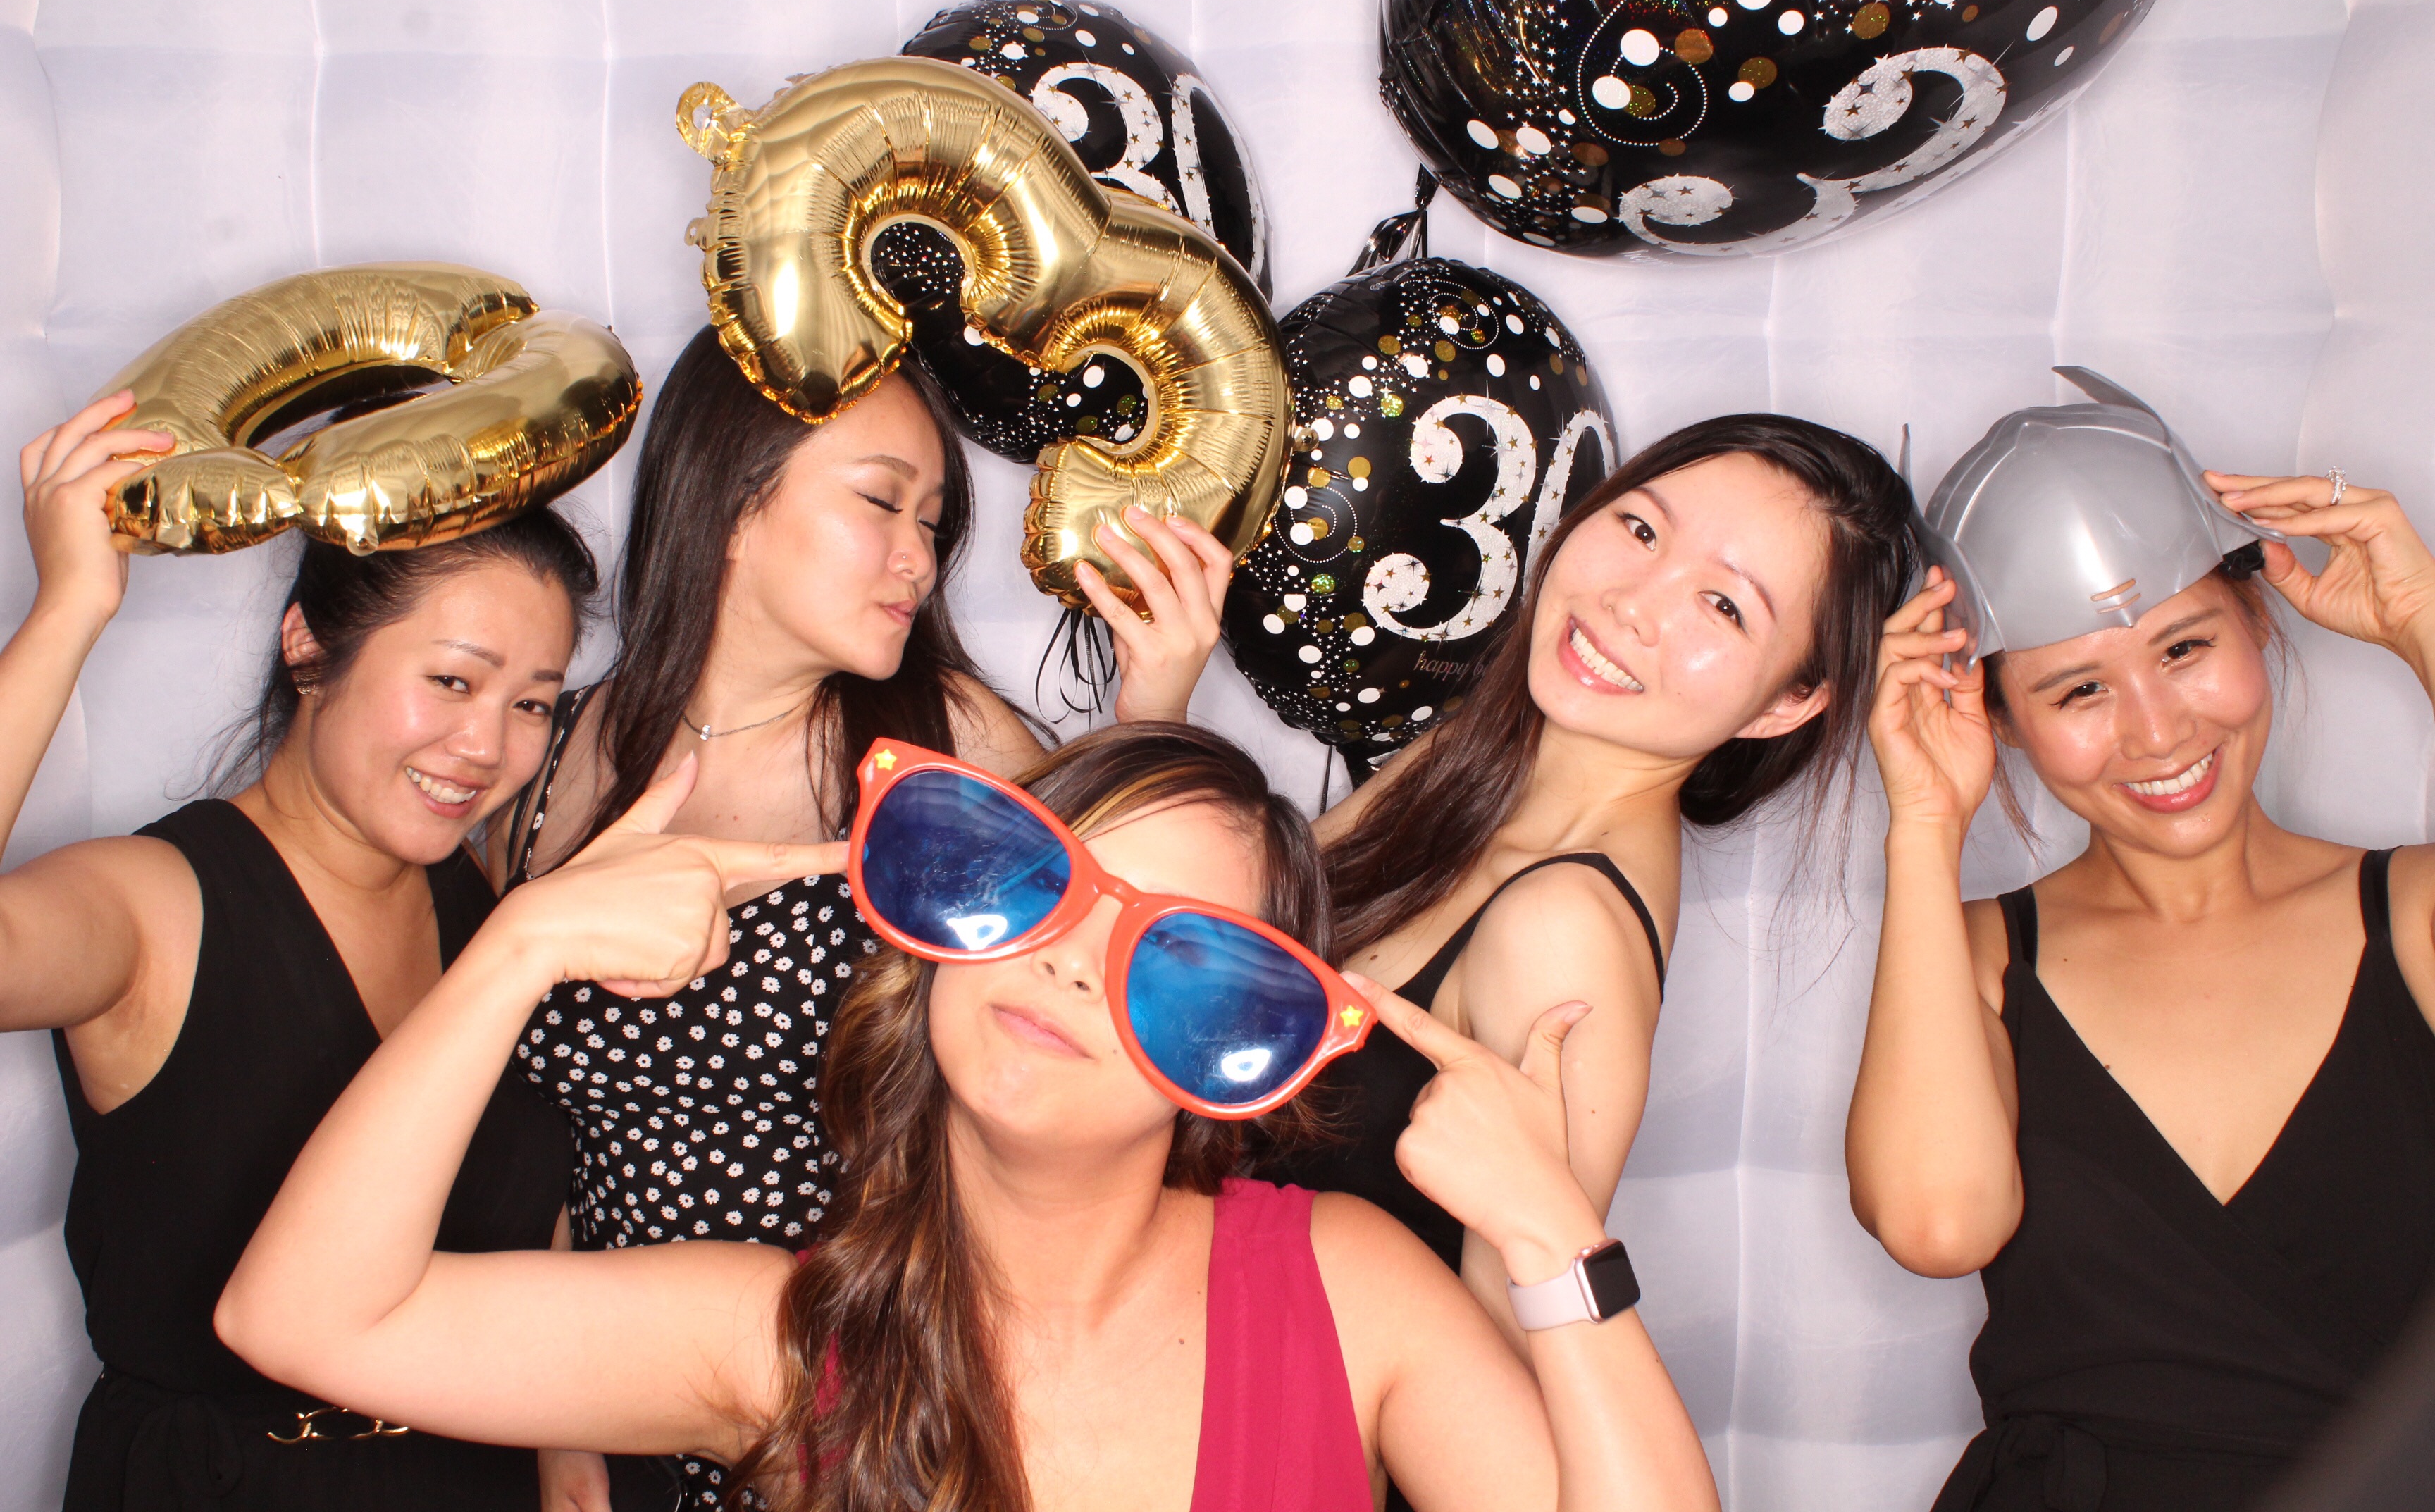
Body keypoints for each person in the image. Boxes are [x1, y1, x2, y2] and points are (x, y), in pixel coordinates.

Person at [215, 722, 1723, 1512]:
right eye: (1036, 884)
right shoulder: (783, 1339)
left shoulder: (1345, 1290)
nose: (1070, 959)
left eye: (1175, 953)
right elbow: (306, 1321)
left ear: (1236, 1048)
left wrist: (1552, 1236)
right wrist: (518, 948)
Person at [498, 330, 1236, 1510]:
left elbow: (1127, 965)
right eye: (882, 504)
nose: (919, 560)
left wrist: (1157, 706)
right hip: (608, 1397)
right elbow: (534, 1136)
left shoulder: (944, 747)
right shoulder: (551, 757)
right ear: (733, 501)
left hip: (867, 1412)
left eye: (933, 524)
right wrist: (565, 1443)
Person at [1850, 373, 2435, 1509]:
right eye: (2078, 690)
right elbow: (1937, 1225)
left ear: (2259, 619)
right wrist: (1921, 821)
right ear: (1999, 720)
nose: (2159, 731)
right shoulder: (1974, 956)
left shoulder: (2408, 912)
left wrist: (2425, 624)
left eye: (2182, 648)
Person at [0, 392, 595, 1509]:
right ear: (310, 646)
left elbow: (530, 1203)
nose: (486, 747)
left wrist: (568, 1444)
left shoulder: (482, 905)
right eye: (453, 681)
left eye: (532, 703)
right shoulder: (156, 905)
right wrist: (72, 604)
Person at [1276, 416, 1918, 1363]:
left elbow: (1511, 1371)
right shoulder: (1463, 767)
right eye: (1642, 529)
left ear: (1790, 702)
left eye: (1723, 605)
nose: (1632, 604)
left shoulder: (1564, 929)